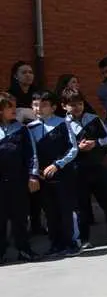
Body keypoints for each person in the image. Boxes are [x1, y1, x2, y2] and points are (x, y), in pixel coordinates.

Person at [62, 88, 107, 248]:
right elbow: (61, 147)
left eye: (80, 104)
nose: (77, 107)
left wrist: (95, 143)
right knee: (81, 206)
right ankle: (83, 239)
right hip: (77, 170)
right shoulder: (62, 124)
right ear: (64, 106)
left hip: (97, 168)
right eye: (72, 105)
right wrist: (77, 147)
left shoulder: (93, 119)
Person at [28, 91, 81, 256]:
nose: (39, 108)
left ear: (53, 107)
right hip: (43, 178)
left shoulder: (63, 124)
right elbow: (31, 153)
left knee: (66, 210)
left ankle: (72, 242)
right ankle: (56, 243)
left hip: (63, 175)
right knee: (50, 212)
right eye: (35, 105)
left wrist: (57, 165)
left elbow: (73, 148)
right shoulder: (30, 128)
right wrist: (36, 173)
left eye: (43, 105)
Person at [0, 92, 40, 262]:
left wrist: (33, 176)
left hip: (18, 181)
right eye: (10, 107)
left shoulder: (22, 129)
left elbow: (32, 154)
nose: (15, 111)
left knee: (20, 218)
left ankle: (24, 249)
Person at [9, 61, 44, 234]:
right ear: (15, 75)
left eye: (31, 72)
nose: (29, 75)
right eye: (24, 72)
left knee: (36, 190)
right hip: (17, 148)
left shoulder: (37, 95)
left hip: (38, 146)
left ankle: (37, 225)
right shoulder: (10, 96)